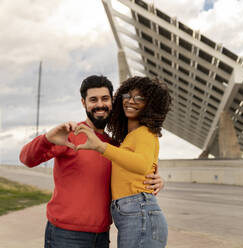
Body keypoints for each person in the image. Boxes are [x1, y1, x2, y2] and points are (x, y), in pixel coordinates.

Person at [19, 75, 164, 248]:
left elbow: (136, 168)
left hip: (101, 236)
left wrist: (158, 179)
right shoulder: (70, 135)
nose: (100, 105)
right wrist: (46, 138)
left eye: (105, 99)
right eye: (93, 100)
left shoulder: (114, 146)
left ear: (112, 102)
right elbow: (26, 159)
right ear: (83, 103)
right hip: (66, 235)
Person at [73, 76, 171, 248]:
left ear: (150, 105)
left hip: (140, 213)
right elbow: (142, 165)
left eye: (139, 98)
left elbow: (141, 164)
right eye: (127, 96)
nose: (130, 101)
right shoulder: (128, 139)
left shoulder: (146, 133)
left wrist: (101, 147)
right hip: (133, 214)